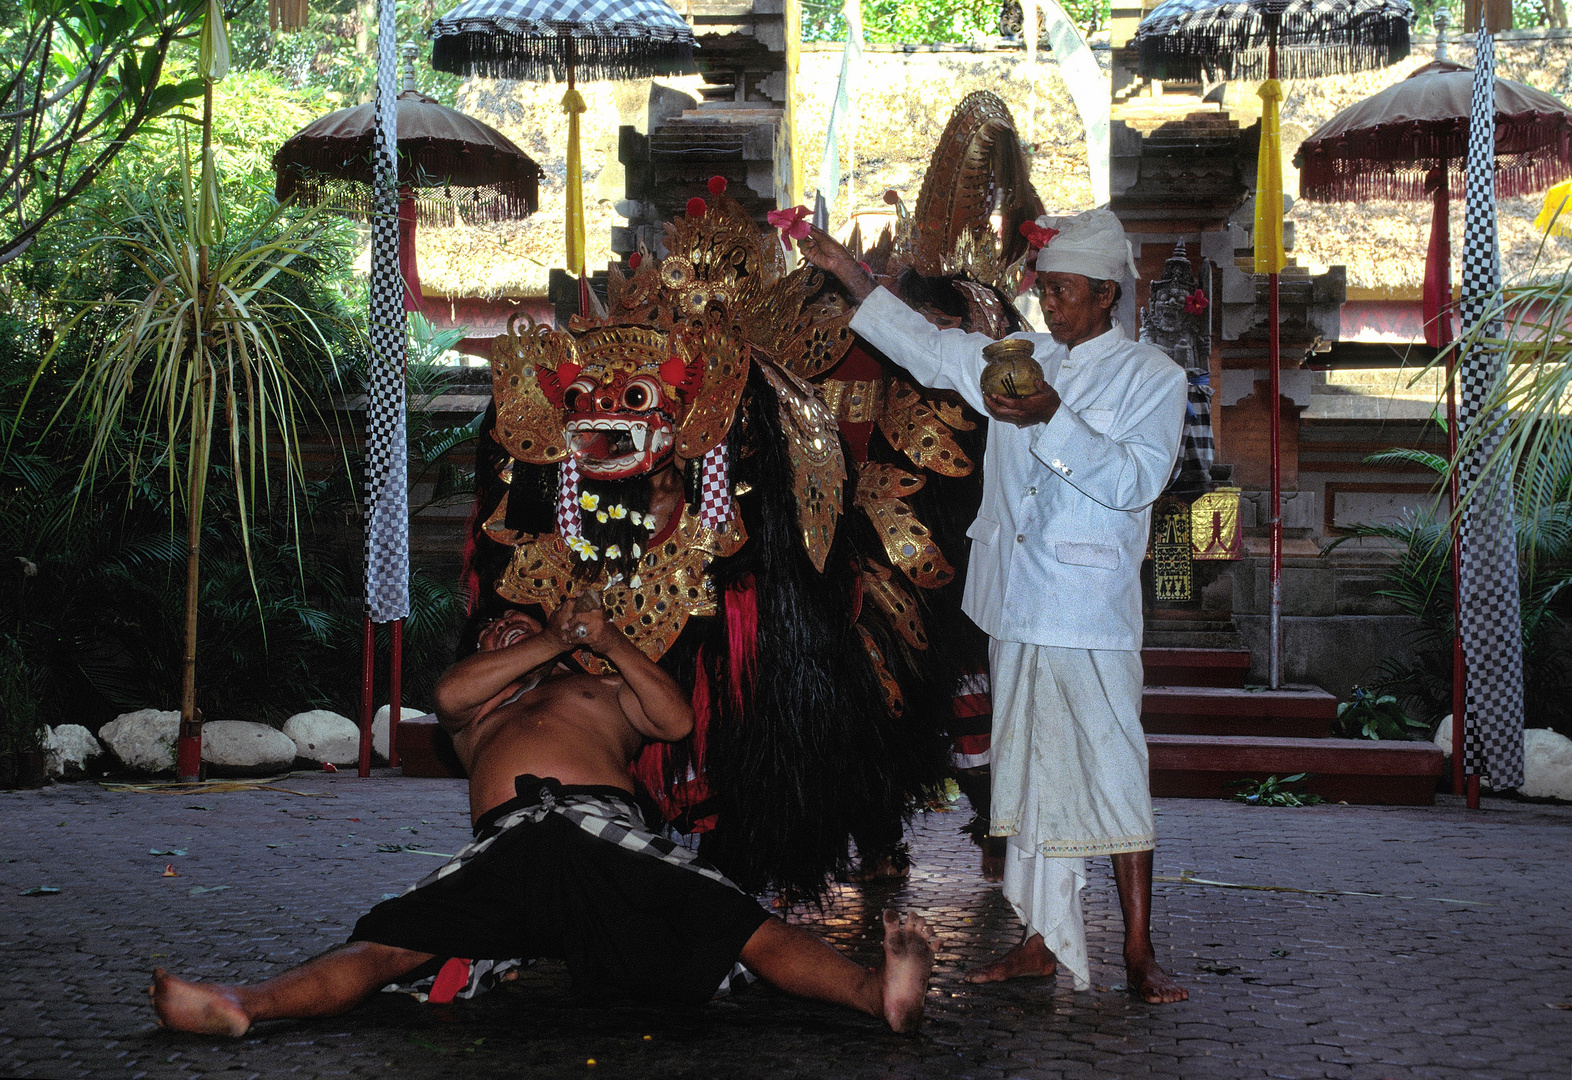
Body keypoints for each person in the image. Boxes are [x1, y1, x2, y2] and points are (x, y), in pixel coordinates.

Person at [148, 602, 937, 1036]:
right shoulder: (476, 706)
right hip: (512, 841)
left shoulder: (598, 691)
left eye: (514, 625)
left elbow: (671, 722)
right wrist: (551, 635)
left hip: (607, 832)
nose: (502, 632)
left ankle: (877, 995)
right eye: (491, 630)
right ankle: (242, 1004)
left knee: (740, 922)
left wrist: (608, 640)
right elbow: (453, 692)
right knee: (387, 943)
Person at [799, 208, 1190, 1005]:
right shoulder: (1019, 356)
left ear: (1107, 294)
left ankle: (1142, 951)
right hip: (1014, 604)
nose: (1051, 306)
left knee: (1114, 772)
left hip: (1088, 610)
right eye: (1045, 290)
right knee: (1031, 776)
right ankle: (1038, 942)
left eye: (1067, 293)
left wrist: (1051, 418)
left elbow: (1134, 481)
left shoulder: (1154, 377)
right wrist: (848, 275)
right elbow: (933, 350)